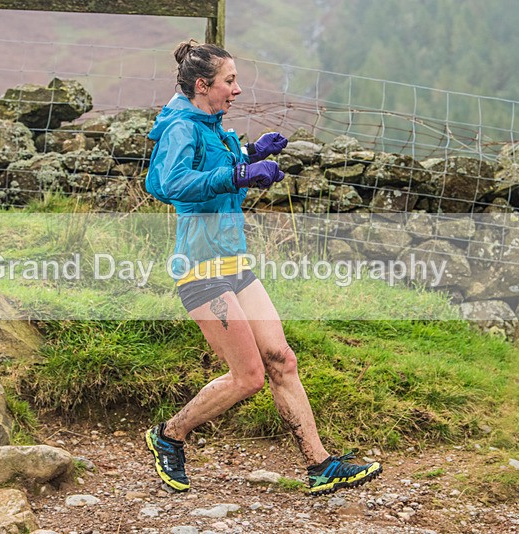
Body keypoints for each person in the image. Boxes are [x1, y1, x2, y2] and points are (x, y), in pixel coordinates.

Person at [143, 39, 382, 496]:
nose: (237, 90)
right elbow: (170, 183)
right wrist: (238, 174)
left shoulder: (210, 124)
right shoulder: (181, 127)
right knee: (248, 377)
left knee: (282, 359)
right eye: (229, 81)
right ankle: (169, 434)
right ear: (202, 85)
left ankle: (320, 466)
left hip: (234, 262)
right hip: (199, 268)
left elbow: (212, 165)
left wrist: (250, 154)